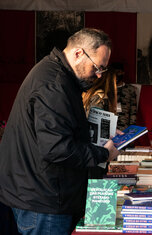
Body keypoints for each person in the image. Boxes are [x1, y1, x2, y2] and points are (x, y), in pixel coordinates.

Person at [0, 28, 120, 234]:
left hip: (41, 193)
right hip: (44, 200)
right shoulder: (54, 84)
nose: (99, 74)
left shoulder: (57, 76)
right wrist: (104, 153)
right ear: (78, 53)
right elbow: (57, 149)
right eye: (97, 67)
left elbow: (61, 133)